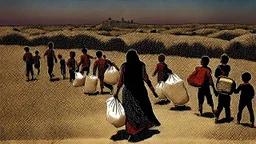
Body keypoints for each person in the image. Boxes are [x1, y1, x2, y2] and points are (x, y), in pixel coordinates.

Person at [113, 49, 160, 142]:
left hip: (128, 92)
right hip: (140, 91)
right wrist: (152, 90)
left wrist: (116, 92)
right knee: (141, 109)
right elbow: (146, 78)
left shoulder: (124, 66)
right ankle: (139, 129)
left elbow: (121, 81)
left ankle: (132, 132)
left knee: (129, 112)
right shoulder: (141, 65)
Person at [214, 54, 232, 123]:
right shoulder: (228, 67)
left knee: (220, 104)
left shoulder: (218, 67)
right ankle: (228, 118)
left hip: (220, 85)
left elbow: (216, 75)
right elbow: (227, 73)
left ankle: (216, 117)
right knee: (227, 105)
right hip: (227, 84)